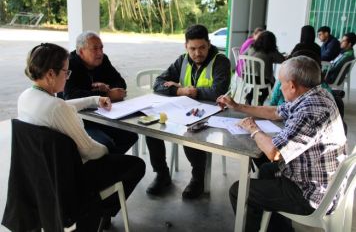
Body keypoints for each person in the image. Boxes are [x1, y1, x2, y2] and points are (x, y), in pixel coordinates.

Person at [18, 43, 145, 231]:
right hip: (71, 178)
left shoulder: (27, 96)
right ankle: (99, 214)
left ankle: (99, 213)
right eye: (66, 73)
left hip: (42, 172)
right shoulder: (56, 108)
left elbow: (63, 105)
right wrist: (108, 150)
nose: (67, 77)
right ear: (51, 74)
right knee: (136, 164)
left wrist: (93, 99)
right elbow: (91, 151)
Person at [217, 56, 346, 232]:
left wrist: (253, 129)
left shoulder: (308, 111)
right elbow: (275, 112)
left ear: (292, 86)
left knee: (238, 191)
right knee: (265, 170)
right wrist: (238, 106)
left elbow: (274, 152)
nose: (279, 86)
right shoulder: (316, 94)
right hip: (320, 179)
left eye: (281, 82)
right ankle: (276, 227)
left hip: (310, 194)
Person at [145, 24, 231, 199]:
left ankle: (197, 179)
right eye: (192, 48)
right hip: (184, 110)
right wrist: (179, 91)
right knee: (152, 129)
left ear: (209, 44)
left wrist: (193, 91)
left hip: (212, 114)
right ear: (186, 46)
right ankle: (162, 174)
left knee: (191, 132)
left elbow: (218, 91)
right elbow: (159, 83)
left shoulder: (221, 61)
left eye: (202, 48)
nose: (197, 53)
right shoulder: (182, 60)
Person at [64, 31, 138, 155]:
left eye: (101, 48)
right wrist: (105, 94)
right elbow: (69, 96)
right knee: (105, 143)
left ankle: (108, 167)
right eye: (95, 49)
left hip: (103, 116)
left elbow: (120, 83)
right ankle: (105, 167)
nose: (100, 53)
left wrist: (108, 88)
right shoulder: (69, 64)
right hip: (80, 120)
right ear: (81, 51)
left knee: (130, 135)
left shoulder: (103, 60)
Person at [245, 30, 285, 105]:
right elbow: (282, 60)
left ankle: (249, 96)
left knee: (258, 81)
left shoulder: (252, 48)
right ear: (272, 42)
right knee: (271, 81)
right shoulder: (271, 51)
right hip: (260, 79)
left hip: (247, 77)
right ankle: (260, 100)